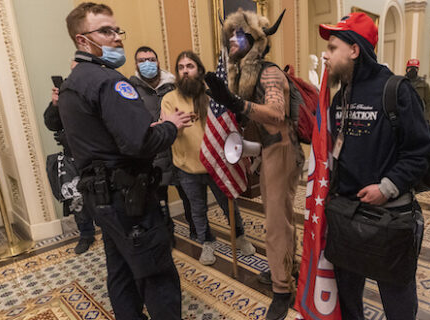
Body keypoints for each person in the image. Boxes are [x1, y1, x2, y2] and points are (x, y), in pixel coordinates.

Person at [58, 3, 192, 319]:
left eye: (117, 30)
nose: (117, 37)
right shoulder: (109, 81)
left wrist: (144, 131)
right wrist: (171, 126)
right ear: (82, 40)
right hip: (128, 197)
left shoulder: (70, 84)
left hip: (100, 196)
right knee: (156, 275)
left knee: (119, 268)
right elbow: (140, 143)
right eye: (105, 31)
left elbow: (106, 137)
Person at [319, 12, 430, 319]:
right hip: (347, 217)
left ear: (354, 50)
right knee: (348, 300)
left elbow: (419, 152)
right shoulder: (339, 97)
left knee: (398, 304)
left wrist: (386, 187)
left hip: (389, 219)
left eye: (332, 47)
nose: (325, 55)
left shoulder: (396, 91)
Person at [204, 9, 304, 320]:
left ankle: (281, 289)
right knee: (281, 217)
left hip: (282, 149)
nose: (232, 40)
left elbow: (276, 113)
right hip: (270, 149)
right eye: (230, 35)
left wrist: (235, 103)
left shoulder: (269, 72)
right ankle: (291, 267)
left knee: (275, 223)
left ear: (255, 41)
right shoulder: (246, 74)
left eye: (239, 35)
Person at [161, 51, 255, 266]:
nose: (185, 70)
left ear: (200, 70)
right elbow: (167, 132)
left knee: (229, 204)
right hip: (188, 169)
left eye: (190, 66)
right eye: (181, 67)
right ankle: (207, 243)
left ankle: (240, 236)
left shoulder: (213, 96)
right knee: (197, 209)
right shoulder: (169, 99)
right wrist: (175, 125)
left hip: (216, 165)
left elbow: (230, 123)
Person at [129, 46, 199, 241]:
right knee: (159, 203)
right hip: (152, 157)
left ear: (158, 62)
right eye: (142, 61)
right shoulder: (130, 89)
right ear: (136, 65)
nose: (147, 64)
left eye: (151, 59)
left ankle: (196, 232)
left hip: (178, 151)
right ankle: (167, 238)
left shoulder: (174, 85)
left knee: (189, 198)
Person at [44, 78, 96, 254]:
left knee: (101, 196)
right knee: (76, 199)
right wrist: (55, 104)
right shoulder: (63, 101)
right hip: (72, 160)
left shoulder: (90, 97)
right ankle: (86, 234)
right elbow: (51, 124)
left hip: (92, 157)